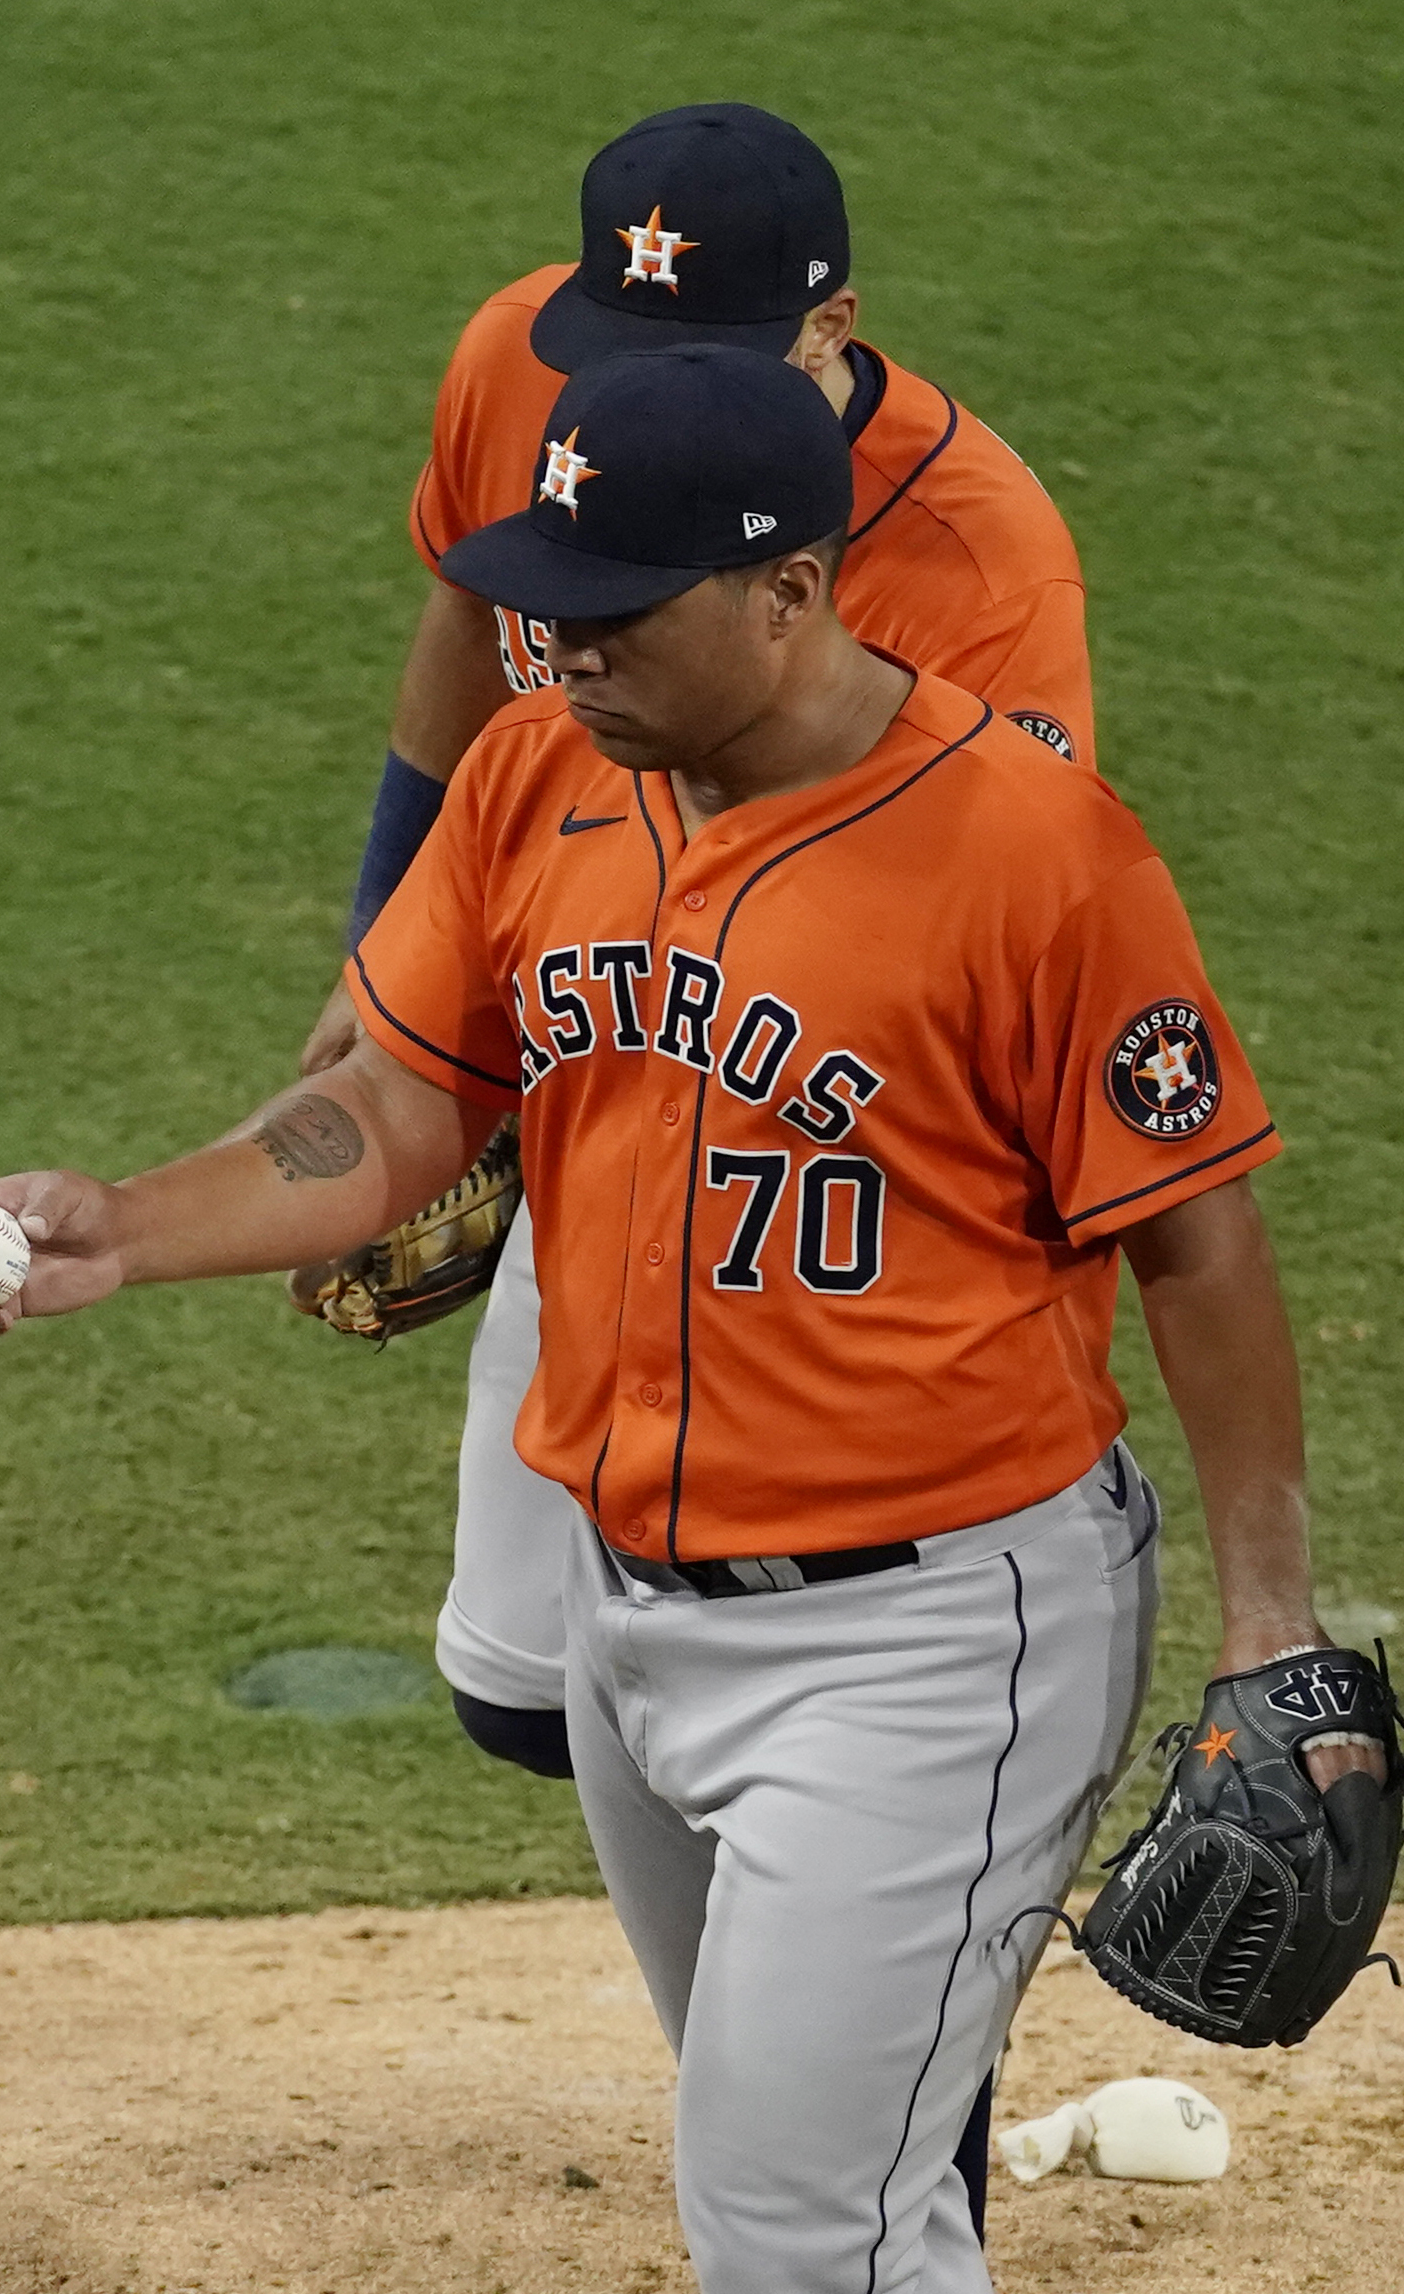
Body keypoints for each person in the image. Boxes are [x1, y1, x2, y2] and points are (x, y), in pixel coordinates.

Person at [0, 349, 1384, 2292]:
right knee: (815, 2177)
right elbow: (400, 1100)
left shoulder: (1032, 852)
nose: (559, 648)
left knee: (796, 2228)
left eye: (615, 614)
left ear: (789, 586)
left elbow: (1196, 1242)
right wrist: (133, 1219)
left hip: (931, 1643)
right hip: (626, 1611)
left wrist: (1266, 1616)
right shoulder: (538, 776)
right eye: (547, 600)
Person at [298, 102, 1096, 1793]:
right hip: (606, 1063)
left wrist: (595, 1040)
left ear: (834, 331)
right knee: (521, 1691)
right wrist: (396, 969)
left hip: (819, 1160)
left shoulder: (979, 556)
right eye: (622, 346)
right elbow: (467, 604)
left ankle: (875, 2004)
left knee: (785, 1657)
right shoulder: (519, 369)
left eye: (717, 352)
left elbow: (1001, 918)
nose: (649, 398)